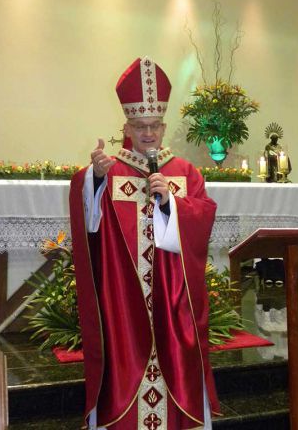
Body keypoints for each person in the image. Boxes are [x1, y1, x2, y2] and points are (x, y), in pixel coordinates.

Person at [69, 57, 220, 430]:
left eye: (154, 125)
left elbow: (202, 220)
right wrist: (95, 180)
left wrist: (171, 204)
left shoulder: (185, 172)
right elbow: (90, 226)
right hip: (122, 302)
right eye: (139, 126)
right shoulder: (109, 169)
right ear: (126, 127)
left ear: (163, 127)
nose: (148, 133)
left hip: (173, 300)